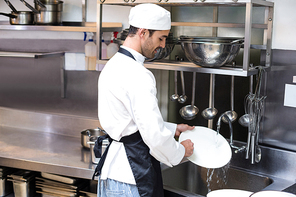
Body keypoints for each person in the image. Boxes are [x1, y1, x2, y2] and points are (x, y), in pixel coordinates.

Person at [95, 3, 194, 197]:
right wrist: (181, 151)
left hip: (112, 176)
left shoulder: (114, 64)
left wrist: (173, 129)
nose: (163, 45)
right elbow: (154, 136)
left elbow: (131, 123)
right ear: (143, 32)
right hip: (131, 178)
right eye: (161, 38)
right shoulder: (138, 74)